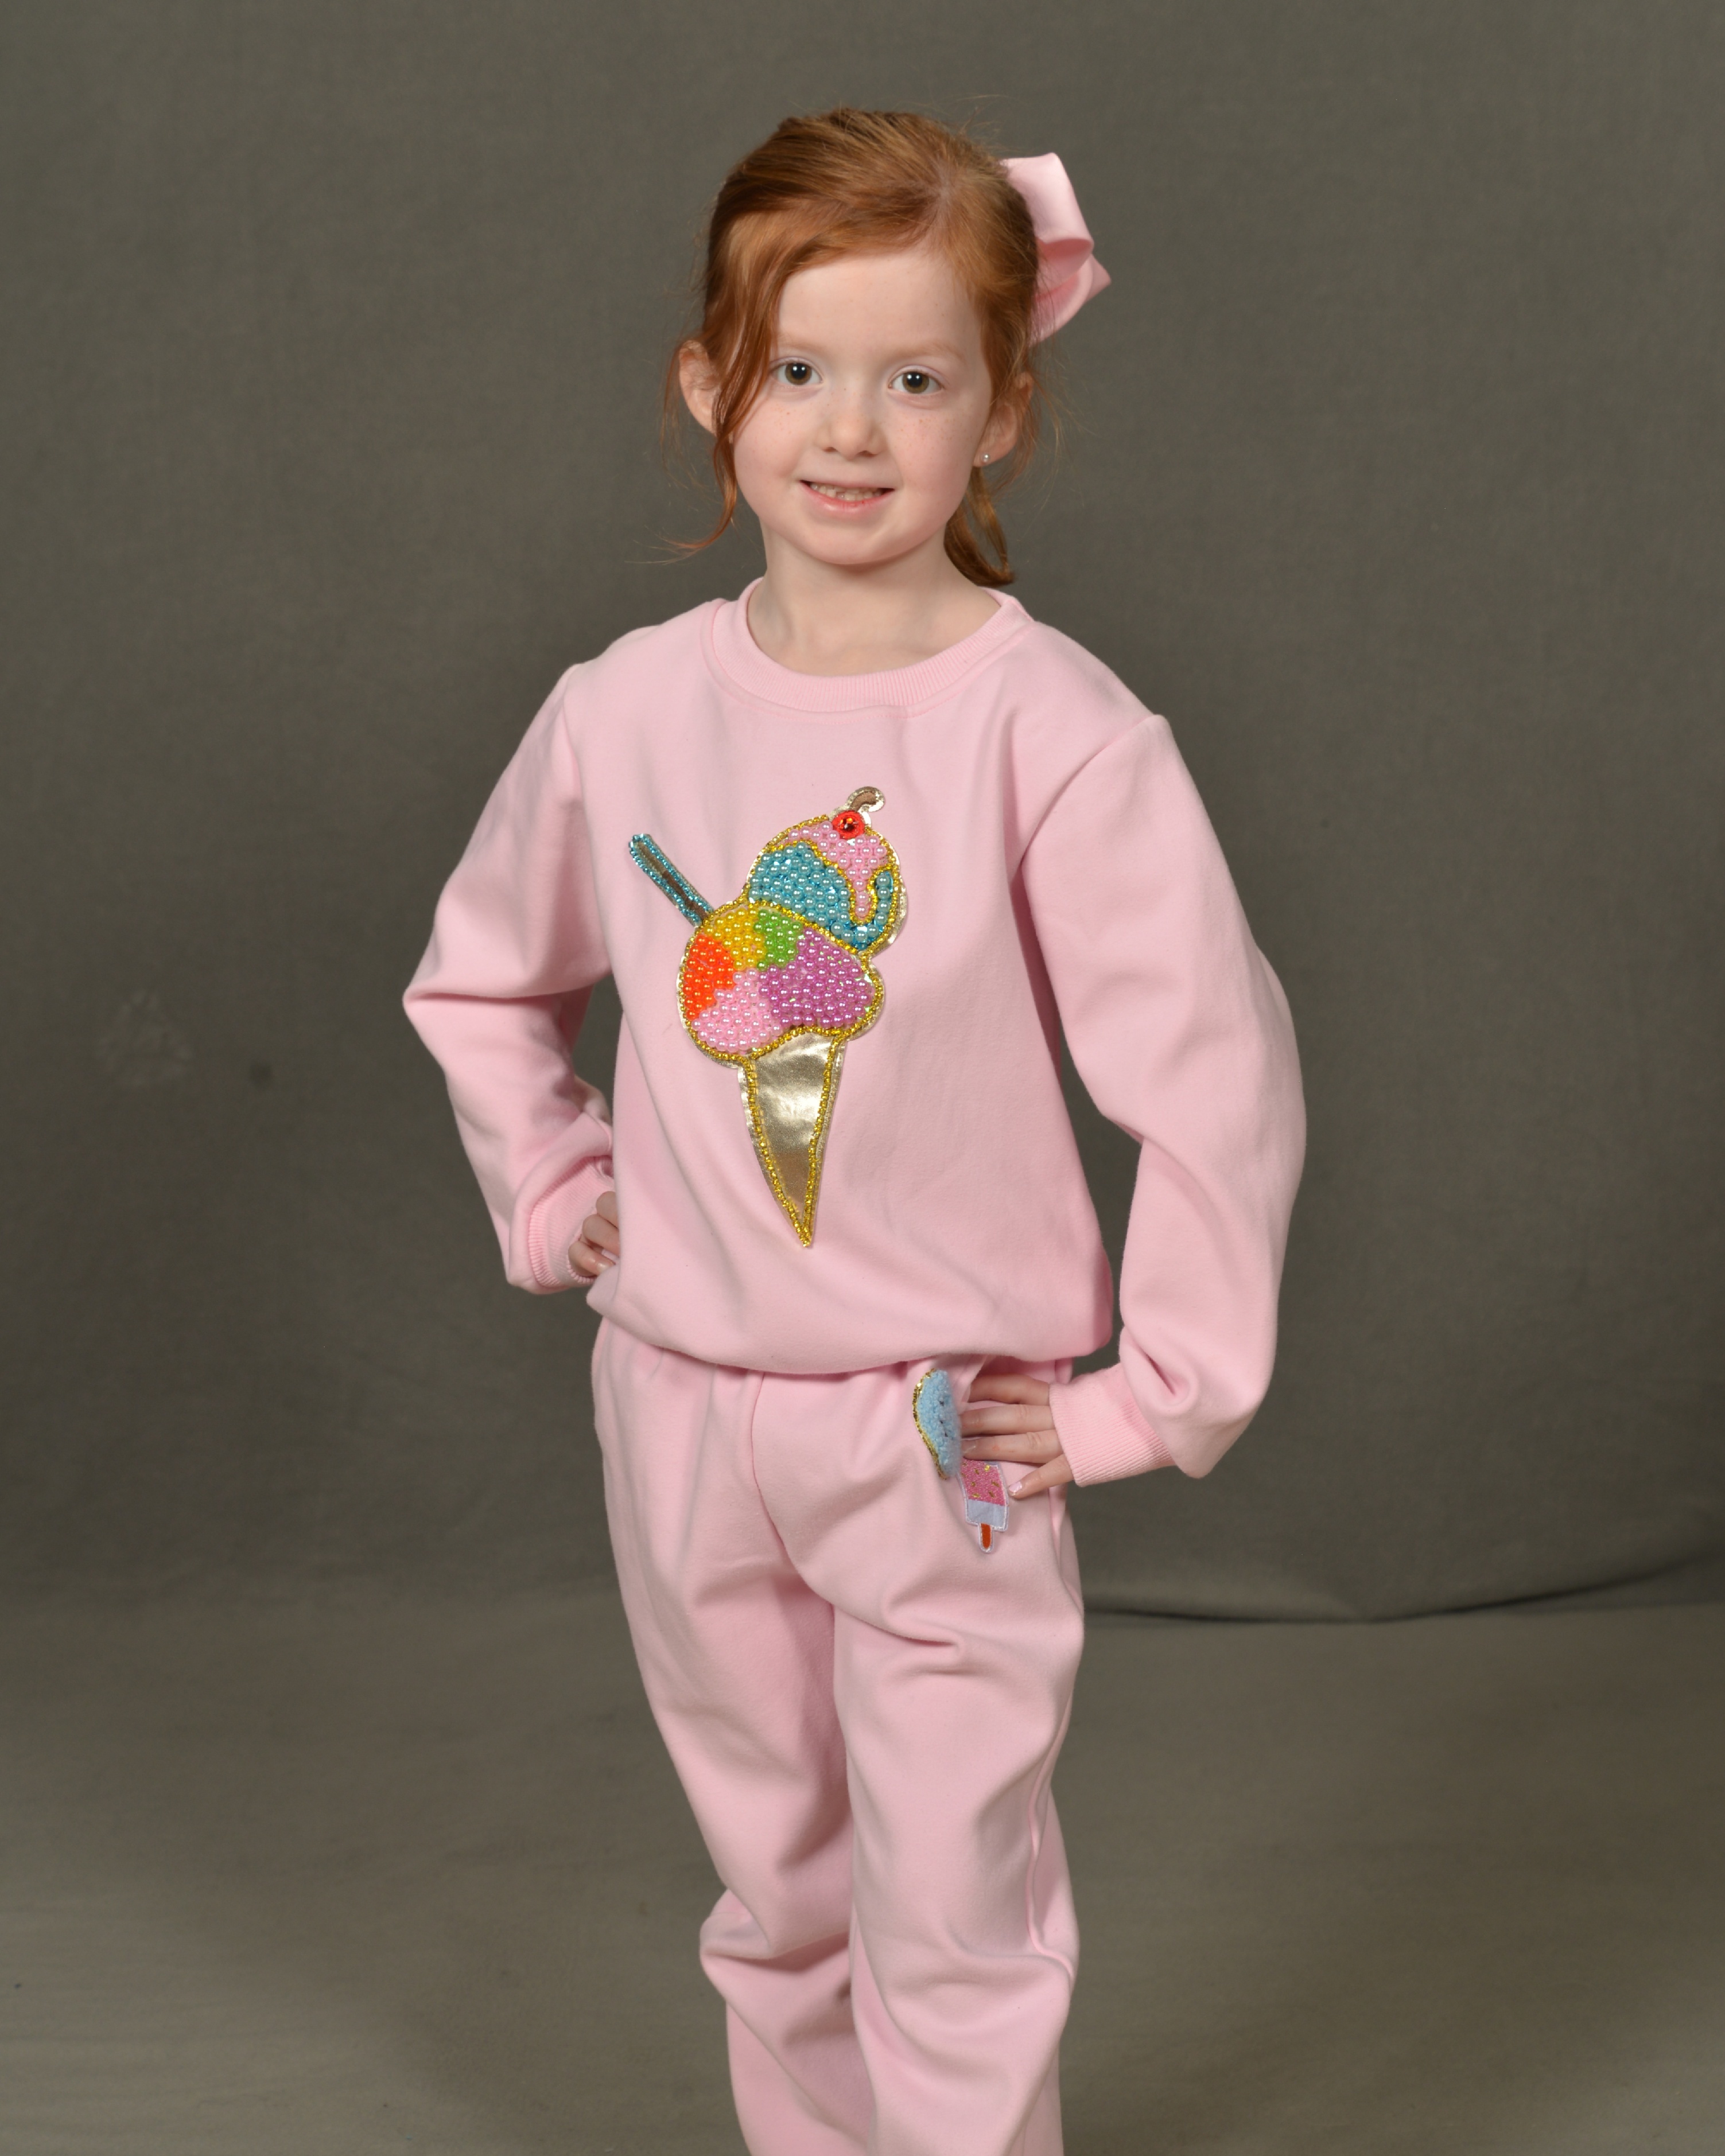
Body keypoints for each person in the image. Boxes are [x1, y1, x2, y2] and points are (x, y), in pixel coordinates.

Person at [405, 106, 1304, 2156]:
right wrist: (557, 1185)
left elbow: (1216, 1081)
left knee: (953, 1910)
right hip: (682, 1415)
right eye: (799, 368)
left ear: (1002, 413)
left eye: (916, 379)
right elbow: (480, 979)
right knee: (782, 1901)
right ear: (708, 387)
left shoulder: (1056, 735)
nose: (849, 428)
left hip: (937, 1435)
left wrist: (1151, 1395)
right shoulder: (625, 709)